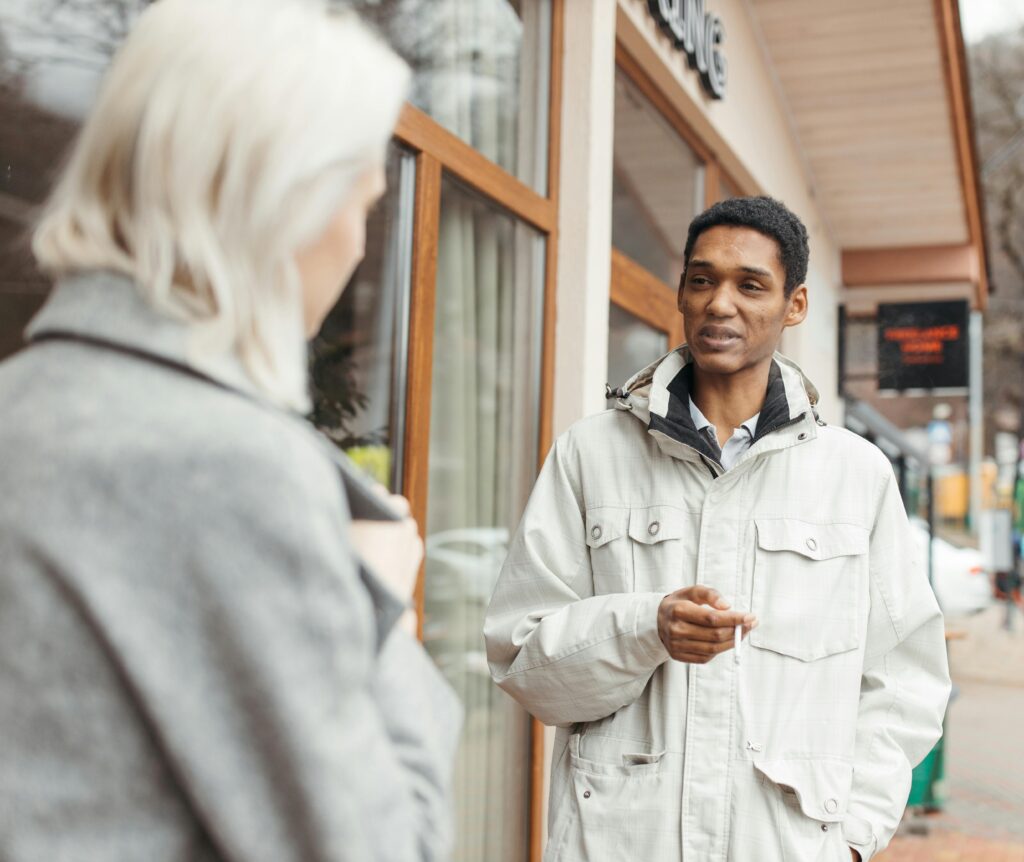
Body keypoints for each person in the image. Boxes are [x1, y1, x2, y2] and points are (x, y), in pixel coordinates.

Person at [0, 1, 459, 860]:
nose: (359, 248)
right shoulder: (232, 468)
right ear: (287, 199)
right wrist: (382, 618)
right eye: (360, 203)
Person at [484, 197, 951, 862]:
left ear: (795, 305)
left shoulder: (856, 475)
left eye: (750, 285)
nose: (720, 303)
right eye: (701, 280)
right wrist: (646, 628)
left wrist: (850, 839)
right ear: (680, 292)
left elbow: (906, 679)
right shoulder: (591, 455)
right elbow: (523, 662)